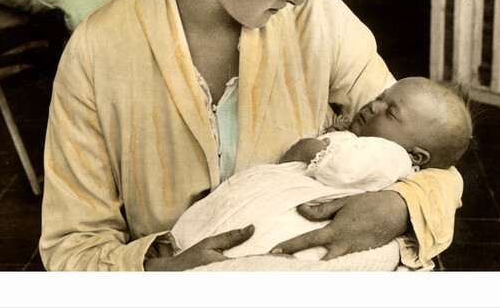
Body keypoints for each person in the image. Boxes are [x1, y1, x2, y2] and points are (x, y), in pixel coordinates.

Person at [39, 0, 464, 272]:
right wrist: (158, 272)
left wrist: (397, 206)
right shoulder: (99, 50)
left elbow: (426, 147)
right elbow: (73, 242)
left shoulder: (321, 20)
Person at [169, 77, 474, 263]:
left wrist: (313, 148)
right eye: (381, 98)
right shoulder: (378, 144)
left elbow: (342, 168)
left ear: (417, 156)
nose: (373, 106)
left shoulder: (392, 155)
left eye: (390, 113)